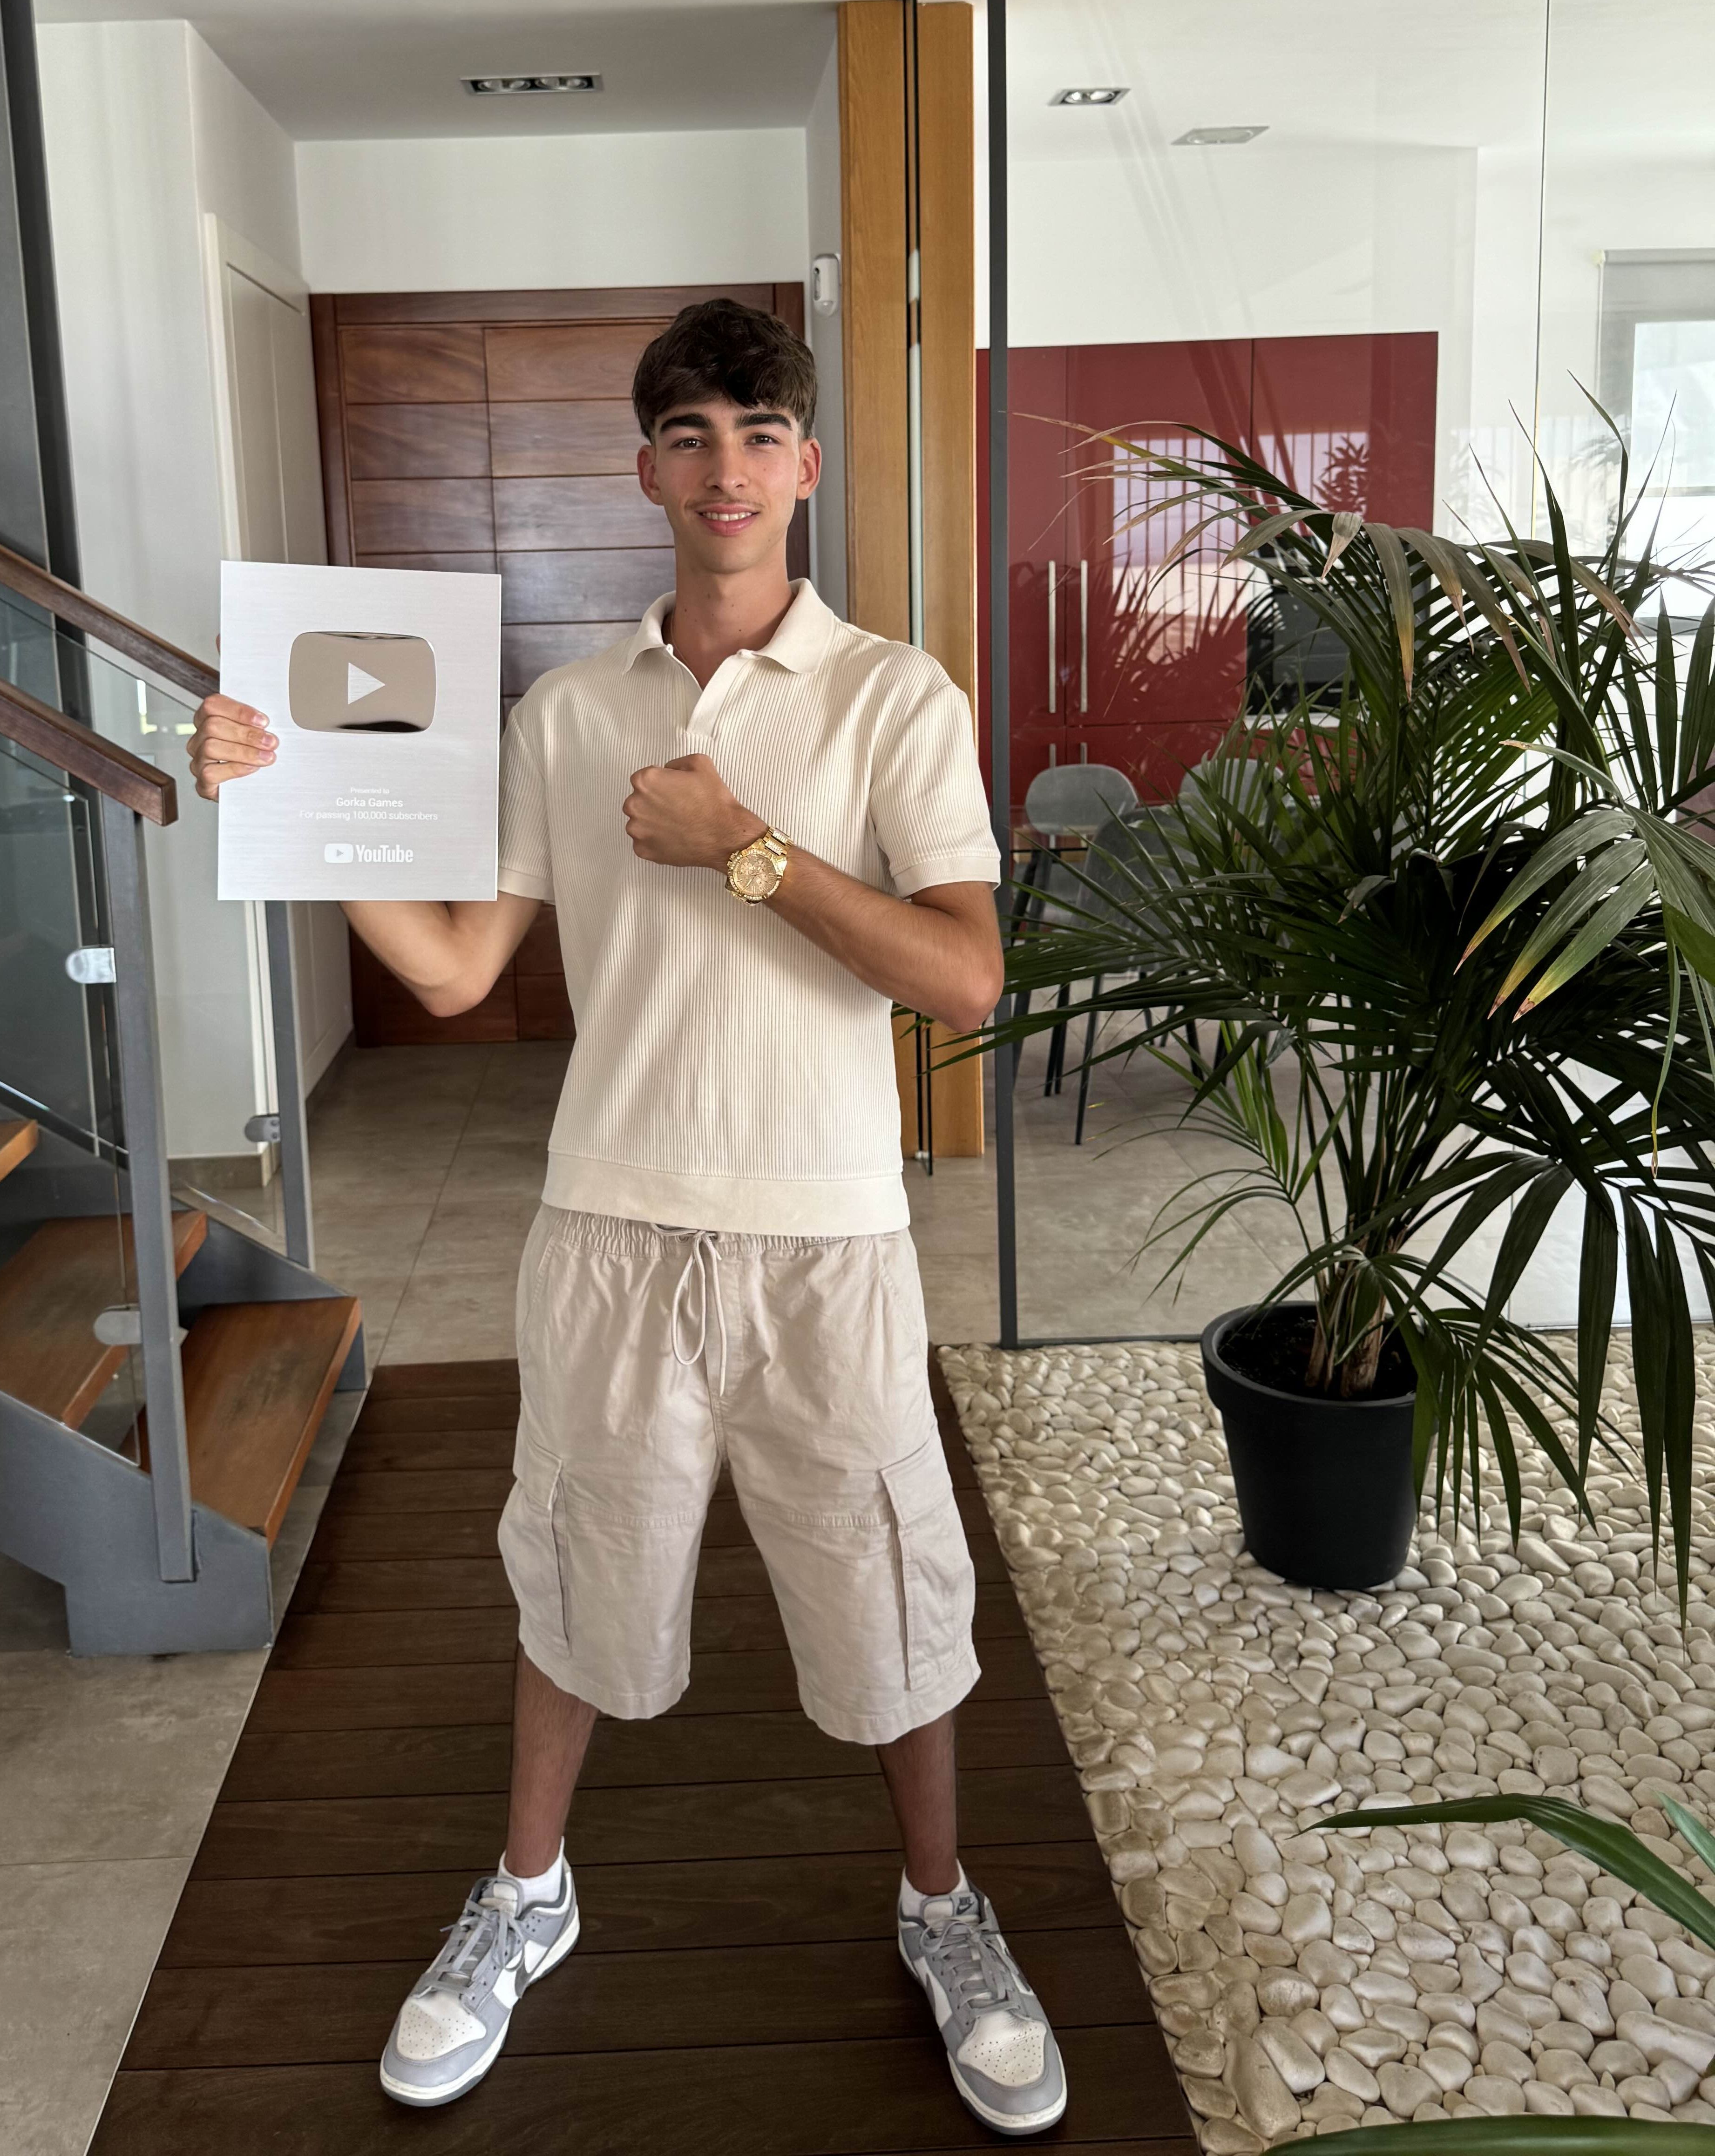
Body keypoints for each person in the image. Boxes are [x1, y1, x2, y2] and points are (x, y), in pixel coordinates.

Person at [189, 297, 1067, 2138]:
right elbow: (453, 971)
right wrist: (287, 808)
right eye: (688, 435)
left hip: (828, 1234)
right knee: (578, 1565)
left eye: (755, 433)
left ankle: (942, 1909)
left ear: (804, 463)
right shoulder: (567, 711)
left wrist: (744, 846)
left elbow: (966, 979)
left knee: (889, 1582)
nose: (723, 469)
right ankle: (529, 1891)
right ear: (645, 467)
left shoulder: (895, 695)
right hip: (608, 1223)